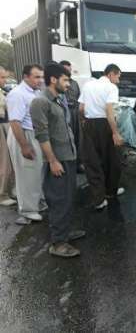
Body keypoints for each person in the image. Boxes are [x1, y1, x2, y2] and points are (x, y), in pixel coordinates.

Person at [30, 63, 86, 258]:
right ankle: (58, 243)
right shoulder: (40, 102)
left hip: (68, 156)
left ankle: (65, 232)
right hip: (57, 160)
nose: (68, 84)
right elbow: (42, 135)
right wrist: (52, 161)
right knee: (58, 199)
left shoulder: (59, 99)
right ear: (53, 80)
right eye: (65, 80)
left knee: (68, 197)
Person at [78, 64, 125, 210]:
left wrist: (86, 121)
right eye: (118, 76)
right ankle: (111, 192)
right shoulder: (111, 88)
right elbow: (109, 112)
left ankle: (98, 199)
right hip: (105, 124)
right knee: (113, 159)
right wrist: (115, 133)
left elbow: (81, 109)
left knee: (93, 162)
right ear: (111, 74)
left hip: (90, 124)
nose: (118, 80)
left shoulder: (88, 85)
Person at [6, 64, 45, 224]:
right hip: (23, 135)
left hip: (34, 134)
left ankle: (37, 202)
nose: (40, 80)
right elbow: (15, 122)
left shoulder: (35, 91)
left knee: (36, 171)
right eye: (36, 77)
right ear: (25, 77)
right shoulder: (17, 94)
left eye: (41, 77)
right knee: (26, 173)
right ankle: (28, 210)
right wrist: (24, 146)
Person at [59, 60, 82, 171]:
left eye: (69, 70)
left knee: (78, 138)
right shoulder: (57, 84)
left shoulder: (74, 83)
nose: (68, 72)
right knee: (66, 139)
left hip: (75, 113)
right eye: (65, 70)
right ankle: (66, 166)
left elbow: (79, 98)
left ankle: (77, 164)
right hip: (64, 113)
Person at [0, 66, 16, 207]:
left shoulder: (3, 91)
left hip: (6, 125)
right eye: (2, 77)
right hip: (1, 125)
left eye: (5, 77)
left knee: (9, 160)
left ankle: (9, 190)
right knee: (4, 162)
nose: (4, 80)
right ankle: (2, 194)